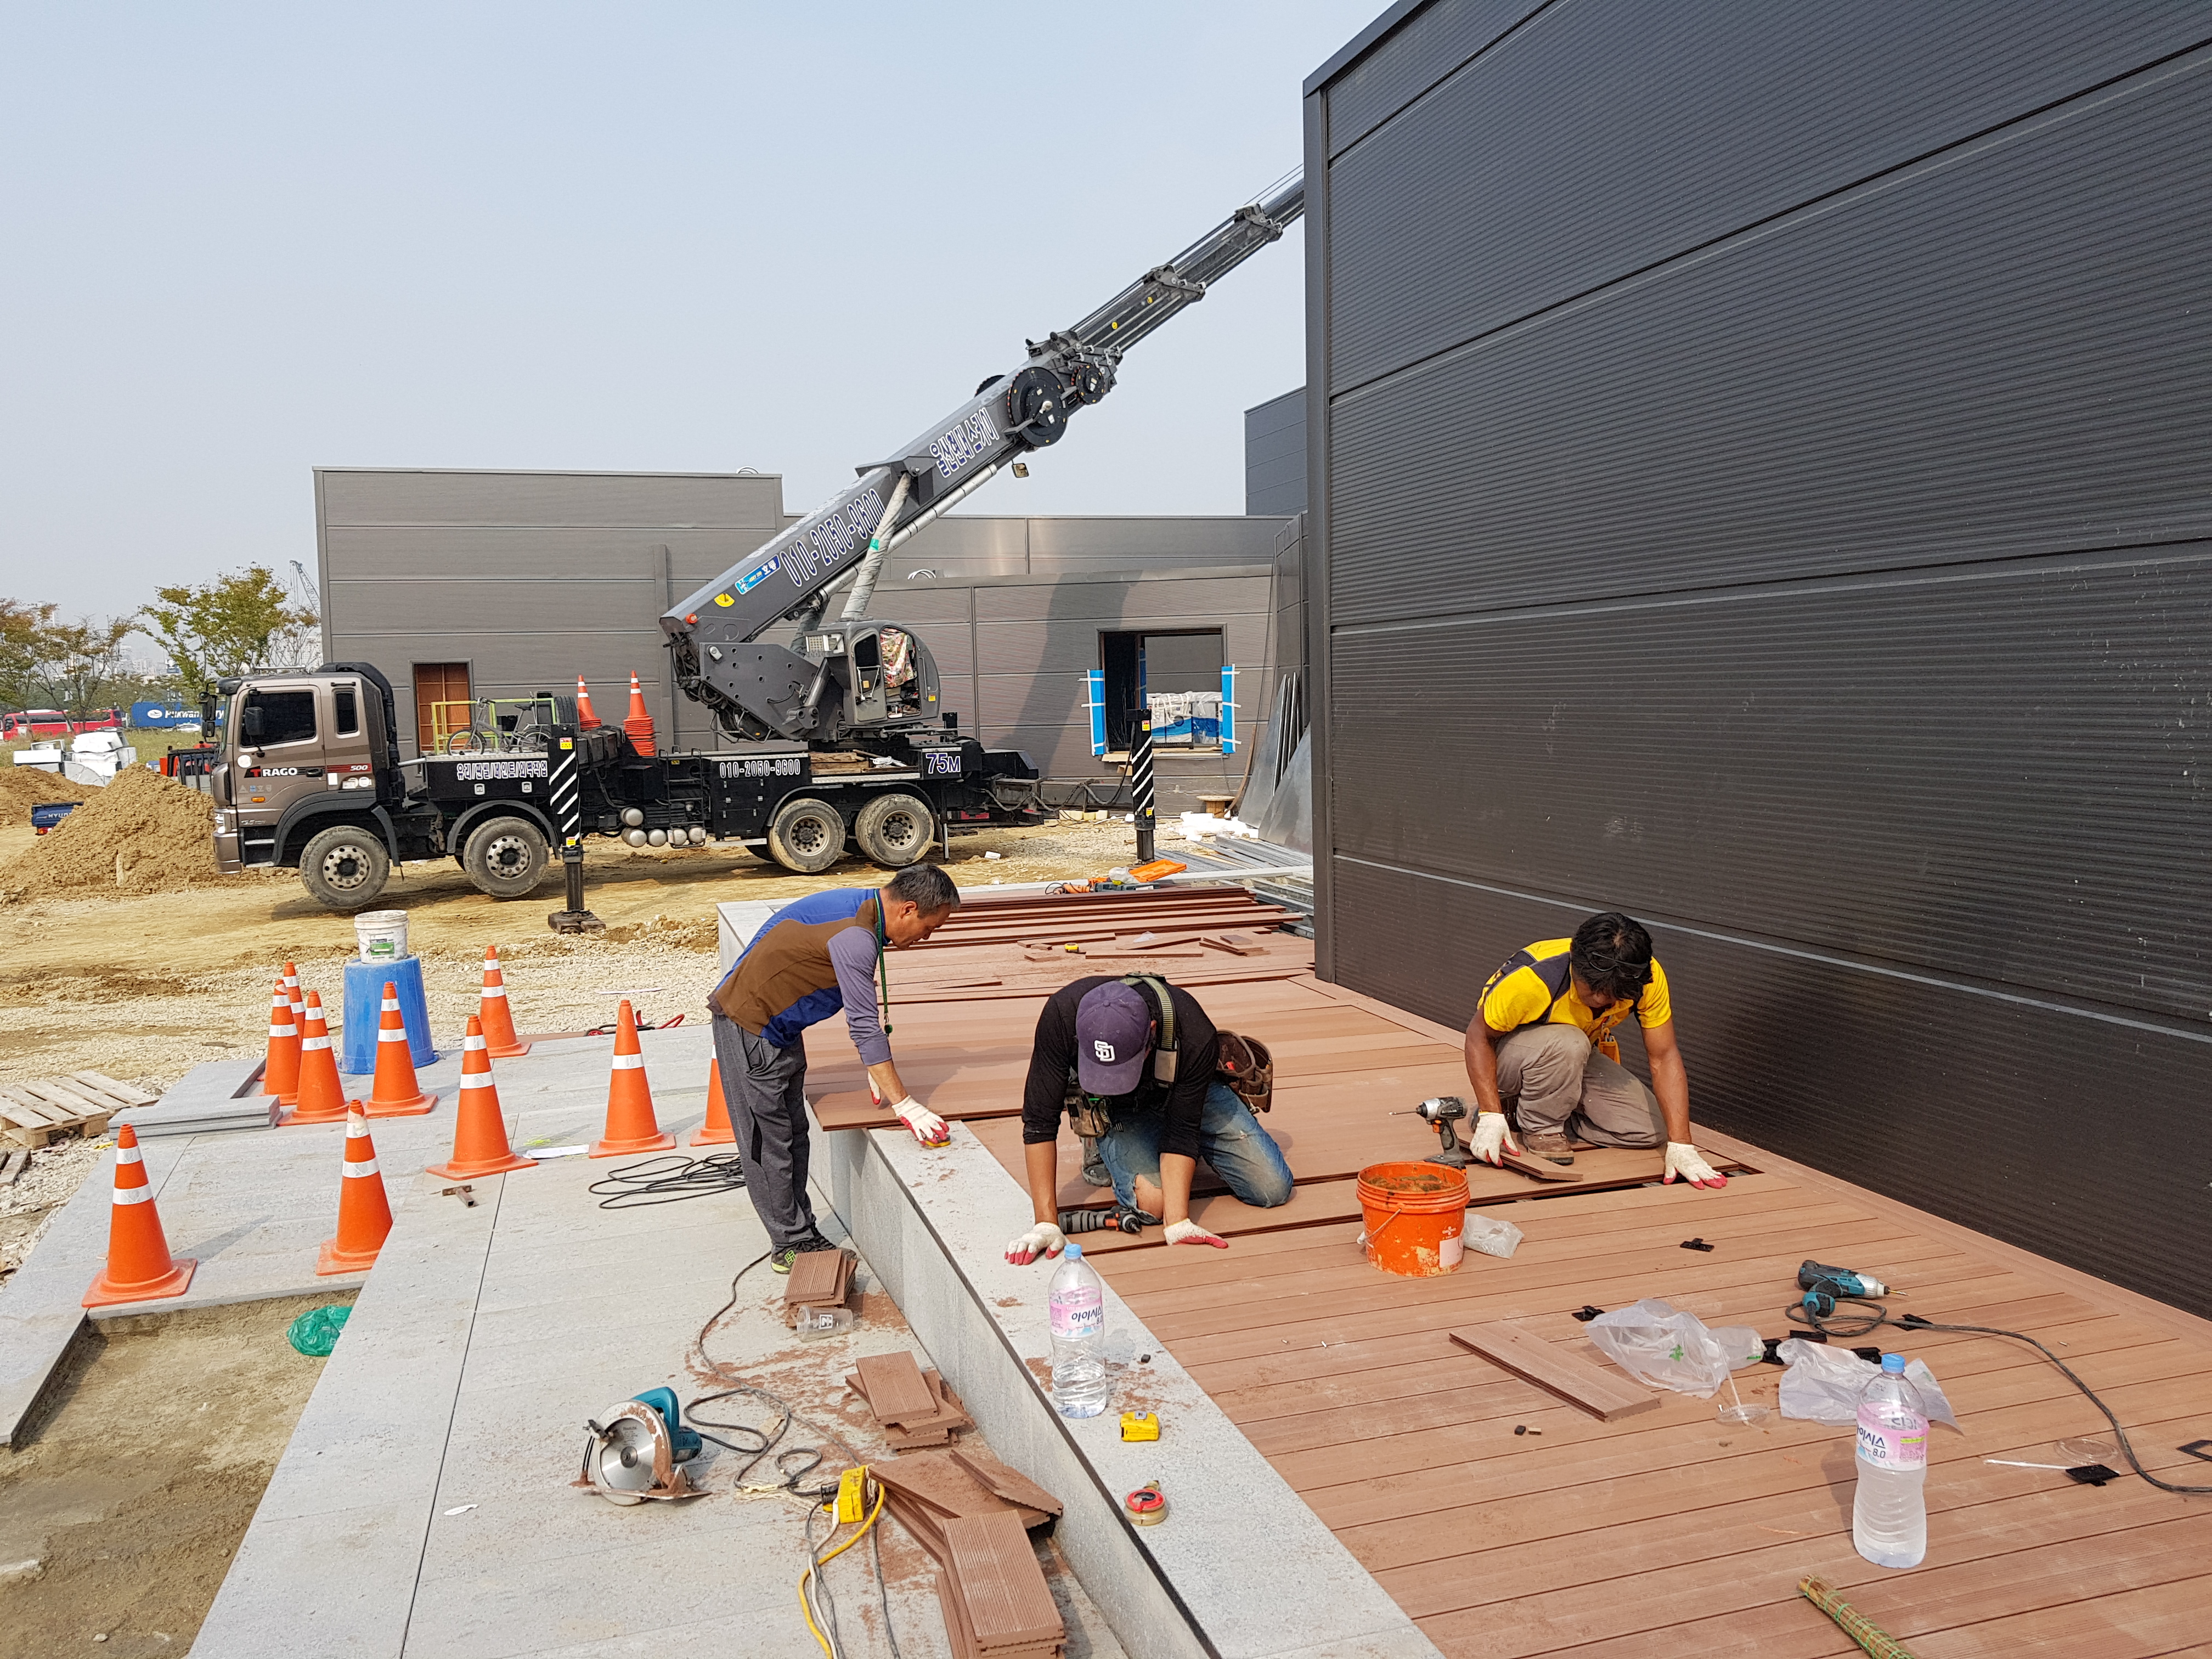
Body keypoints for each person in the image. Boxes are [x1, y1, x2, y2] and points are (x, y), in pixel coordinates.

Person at [710, 863, 960, 1271]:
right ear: (908, 909)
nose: (926, 937)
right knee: (770, 1142)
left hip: (780, 1026)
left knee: (794, 1134)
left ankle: (803, 1231)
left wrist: (875, 1067)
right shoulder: (856, 936)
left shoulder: (862, 907)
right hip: (751, 1026)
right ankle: (789, 1245)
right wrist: (905, 1104)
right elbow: (863, 1024)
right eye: (929, 928)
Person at [1003, 974, 1294, 1263]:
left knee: (1271, 1189)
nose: (1112, 1079)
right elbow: (1039, 1123)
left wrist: (1178, 1223)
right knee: (1153, 1205)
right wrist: (1046, 1224)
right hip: (1117, 1107)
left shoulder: (1193, 1030)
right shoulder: (1061, 1015)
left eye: (1119, 1071)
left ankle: (1194, 1133)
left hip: (1184, 1084)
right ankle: (1096, 1131)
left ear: (1151, 1033)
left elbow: (1182, 1130)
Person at [1462, 911, 1727, 1189]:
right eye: (1592, 987)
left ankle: (1518, 1112)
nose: (1600, 999)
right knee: (1570, 1042)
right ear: (1575, 961)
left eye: (1612, 993)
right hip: (1507, 1059)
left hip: (1573, 1056)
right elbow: (1478, 1037)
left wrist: (1682, 1144)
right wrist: (1490, 1114)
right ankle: (1540, 1128)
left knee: (1648, 1129)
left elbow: (1664, 1057)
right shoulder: (1535, 979)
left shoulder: (1645, 977)